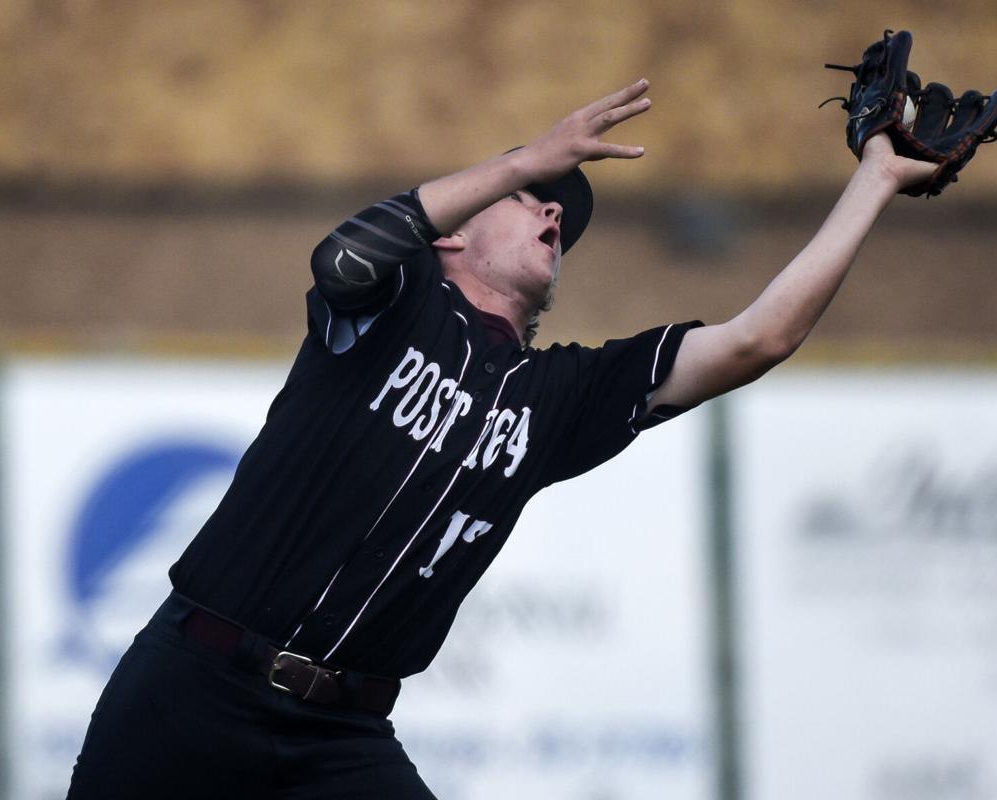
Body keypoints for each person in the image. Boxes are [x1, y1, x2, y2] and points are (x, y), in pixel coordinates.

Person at [66, 78, 937, 798]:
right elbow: (341, 259)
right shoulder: (390, 305)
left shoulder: (563, 397)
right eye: (533, 204)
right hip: (191, 690)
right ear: (449, 232)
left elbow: (758, 340)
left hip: (340, 736)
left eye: (565, 221)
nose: (556, 219)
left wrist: (877, 180)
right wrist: (525, 159)